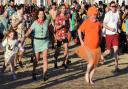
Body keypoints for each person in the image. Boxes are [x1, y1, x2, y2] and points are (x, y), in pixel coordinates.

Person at [21, 8, 49, 81]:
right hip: (36, 42)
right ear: (37, 15)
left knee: (45, 58)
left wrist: (55, 35)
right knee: (36, 59)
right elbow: (29, 31)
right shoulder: (35, 23)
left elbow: (51, 29)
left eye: (42, 14)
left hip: (45, 42)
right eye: (40, 14)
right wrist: (24, 38)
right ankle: (34, 71)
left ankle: (45, 74)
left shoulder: (46, 21)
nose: (41, 15)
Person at [76, 6, 102, 84]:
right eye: (93, 14)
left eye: (95, 14)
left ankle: (90, 79)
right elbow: (79, 30)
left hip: (96, 47)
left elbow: (100, 33)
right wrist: (81, 41)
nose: (94, 16)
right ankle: (87, 73)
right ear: (90, 14)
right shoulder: (86, 22)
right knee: (91, 62)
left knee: (95, 64)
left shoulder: (98, 23)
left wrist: (100, 41)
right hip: (87, 46)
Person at [101, 1, 120, 72]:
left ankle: (116, 67)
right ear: (110, 7)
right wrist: (110, 28)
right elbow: (104, 24)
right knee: (108, 51)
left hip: (115, 35)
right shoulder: (107, 14)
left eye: (115, 6)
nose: (114, 8)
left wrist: (118, 29)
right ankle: (102, 55)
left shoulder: (117, 13)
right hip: (109, 35)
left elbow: (117, 23)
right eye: (112, 6)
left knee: (116, 51)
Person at [54, 4, 70, 69]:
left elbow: (68, 26)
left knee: (66, 49)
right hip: (59, 35)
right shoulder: (57, 17)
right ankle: (55, 60)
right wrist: (61, 25)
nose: (64, 9)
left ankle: (64, 62)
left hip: (65, 35)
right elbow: (56, 28)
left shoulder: (67, 17)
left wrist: (68, 30)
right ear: (60, 9)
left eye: (64, 8)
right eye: (62, 8)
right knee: (58, 49)